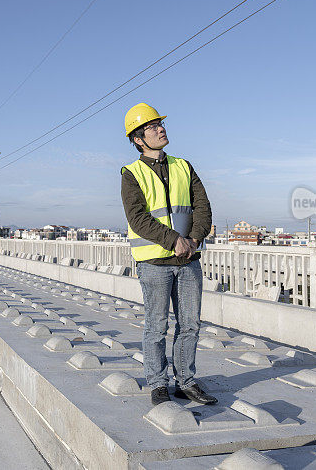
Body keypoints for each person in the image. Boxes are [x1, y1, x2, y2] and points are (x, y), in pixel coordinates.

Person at [120, 102, 217, 406]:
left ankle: (185, 381)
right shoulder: (131, 173)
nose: (160, 129)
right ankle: (158, 383)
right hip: (154, 262)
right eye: (152, 127)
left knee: (190, 324)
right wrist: (174, 239)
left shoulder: (183, 166)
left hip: (188, 259)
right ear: (138, 138)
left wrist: (194, 238)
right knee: (157, 325)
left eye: (160, 125)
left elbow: (202, 206)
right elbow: (138, 218)